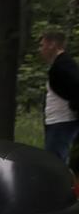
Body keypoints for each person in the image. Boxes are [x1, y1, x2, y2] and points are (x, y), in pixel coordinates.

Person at [39, 30, 79, 164]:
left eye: (42, 45)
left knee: (54, 163)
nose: (41, 49)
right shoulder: (60, 64)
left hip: (62, 121)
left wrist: (74, 107)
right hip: (57, 122)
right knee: (55, 161)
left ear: (52, 45)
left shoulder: (63, 66)